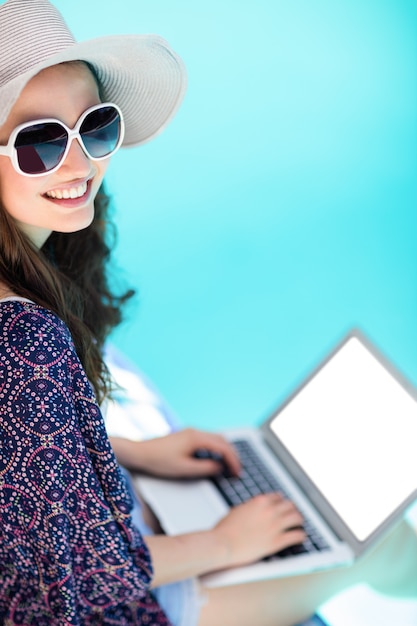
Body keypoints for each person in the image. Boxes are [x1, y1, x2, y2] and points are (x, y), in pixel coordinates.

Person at [0, 1, 416, 625]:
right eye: (38, 142)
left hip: (107, 537)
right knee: (380, 546)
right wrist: (227, 542)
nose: (81, 163)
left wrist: (125, 455)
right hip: (115, 607)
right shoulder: (25, 335)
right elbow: (78, 581)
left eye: (95, 125)